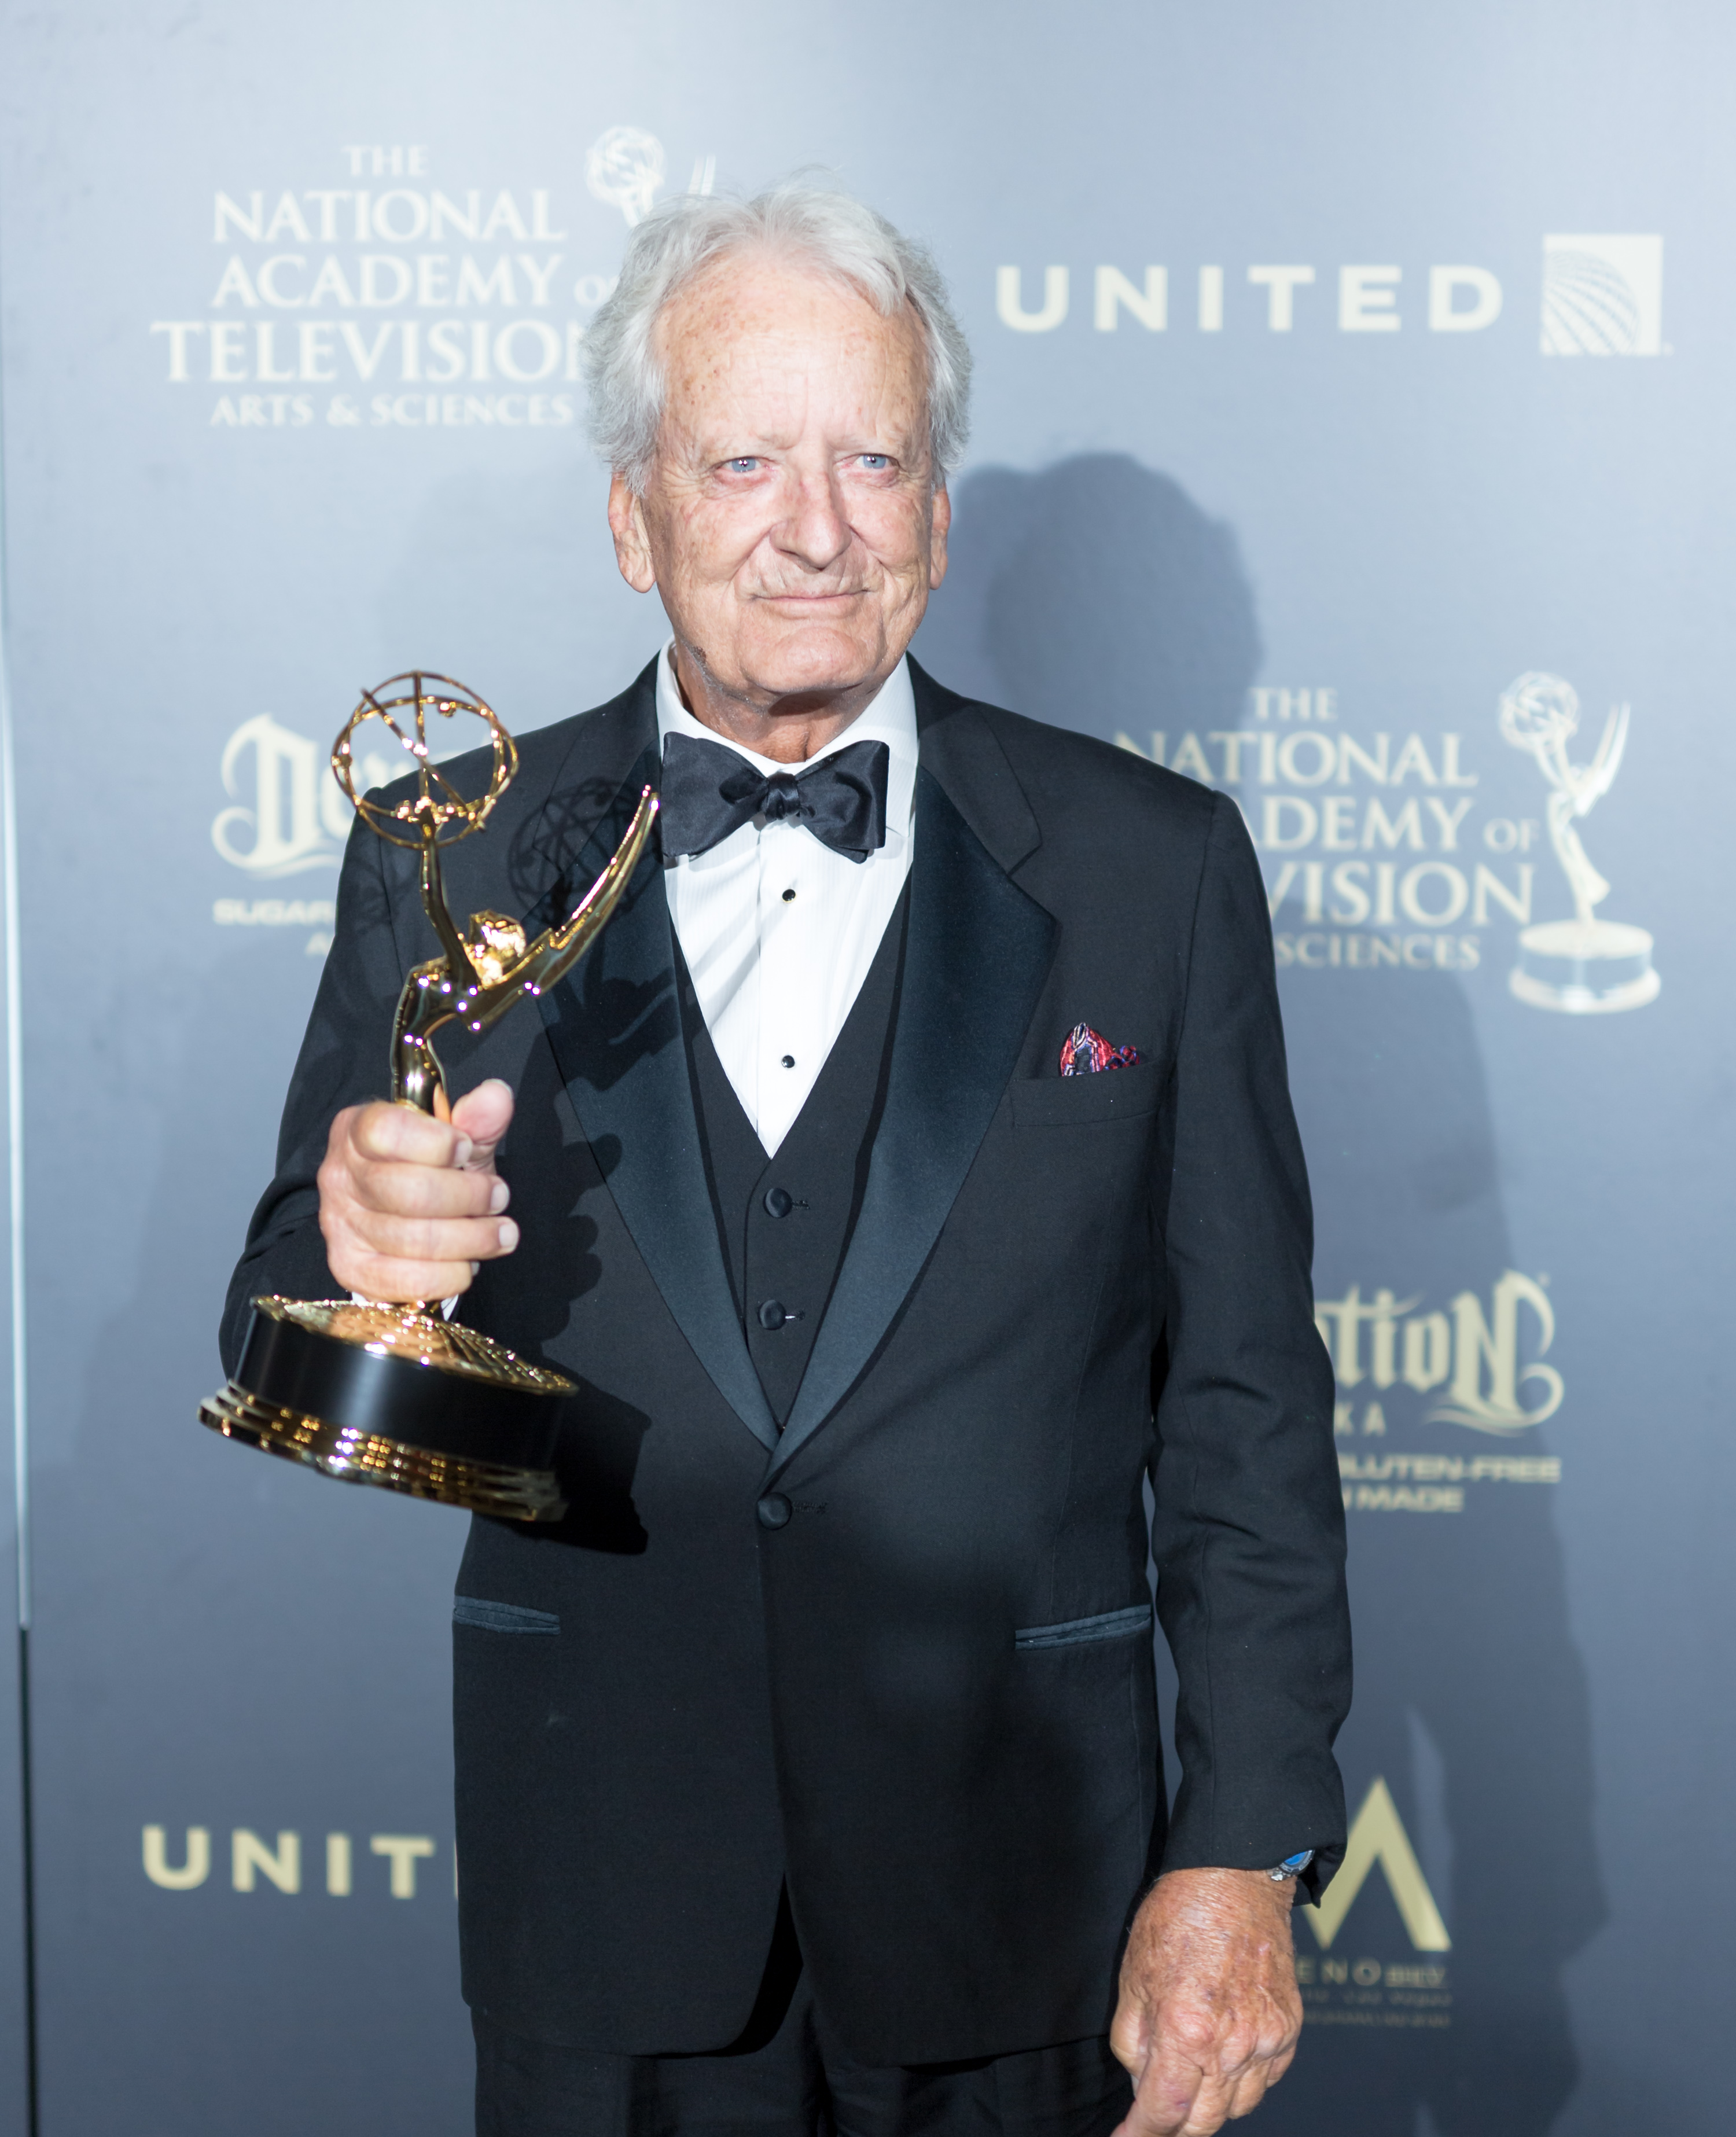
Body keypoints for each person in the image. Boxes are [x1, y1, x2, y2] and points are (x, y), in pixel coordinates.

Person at [221, 179, 1351, 2137]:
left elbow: (1247, 1409)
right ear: (632, 510)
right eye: (742, 458)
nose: (814, 527)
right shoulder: (450, 853)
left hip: (1035, 1909)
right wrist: (347, 1267)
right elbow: (277, 1337)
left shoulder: (1151, 873)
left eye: (873, 458)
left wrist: (1244, 1849)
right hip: (605, 1900)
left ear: (938, 510)